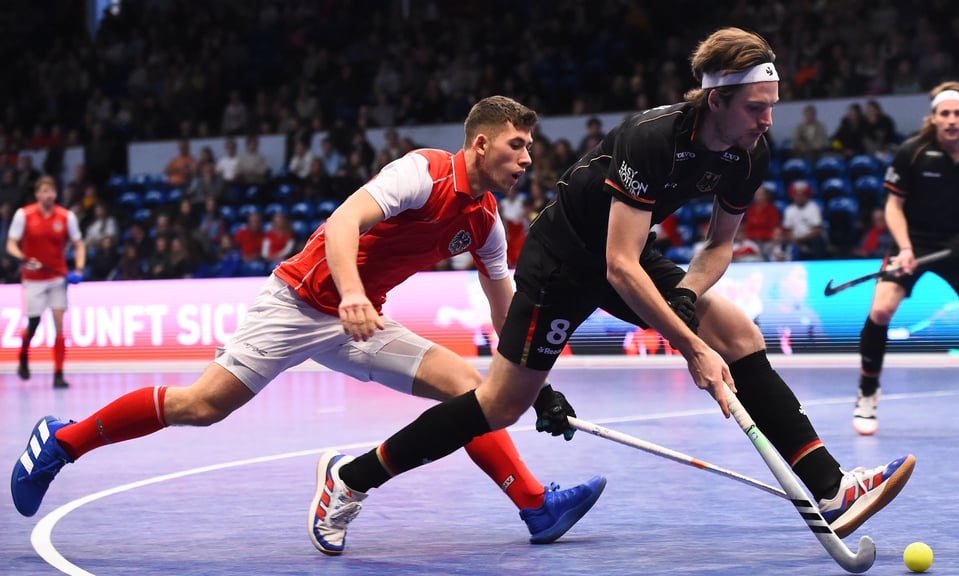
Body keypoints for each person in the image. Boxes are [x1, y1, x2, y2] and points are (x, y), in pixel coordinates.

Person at [294, 28, 915, 549]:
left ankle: (832, 489)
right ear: (716, 99)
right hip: (563, 262)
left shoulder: (748, 153)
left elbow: (717, 246)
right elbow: (618, 267)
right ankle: (352, 476)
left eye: (772, 105)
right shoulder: (651, 140)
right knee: (501, 405)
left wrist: (689, 307)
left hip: (627, 252)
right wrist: (691, 348)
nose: (767, 119)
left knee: (737, 332)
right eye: (756, 106)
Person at [11, 96, 605, 555]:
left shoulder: (486, 223)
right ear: (481, 144)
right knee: (202, 405)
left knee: (472, 393)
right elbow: (345, 223)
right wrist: (349, 293)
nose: (528, 158)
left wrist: (536, 388)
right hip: (299, 303)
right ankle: (62, 441)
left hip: (360, 320)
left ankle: (534, 504)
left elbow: (508, 313)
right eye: (518, 145)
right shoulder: (422, 172)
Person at [853, 81, 959, 436]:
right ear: (934, 118)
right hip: (912, 241)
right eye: (945, 114)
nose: (952, 120)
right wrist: (906, 248)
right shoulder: (912, 152)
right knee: (880, 310)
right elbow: (893, 206)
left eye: (958, 113)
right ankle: (867, 395)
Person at [5, 176, 86, 388]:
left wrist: (79, 267)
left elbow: (79, 244)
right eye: (44, 191)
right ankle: (23, 355)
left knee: (59, 323)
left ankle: (58, 374)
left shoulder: (66, 217)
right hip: (32, 279)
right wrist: (22, 258)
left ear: (55, 194)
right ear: (37, 194)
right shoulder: (24, 215)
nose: (48, 195)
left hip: (58, 277)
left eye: (51, 191)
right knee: (33, 324)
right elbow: (11, 244)